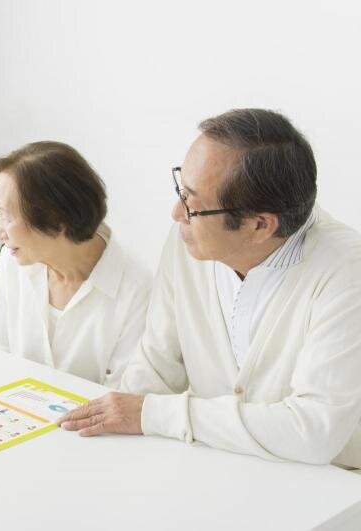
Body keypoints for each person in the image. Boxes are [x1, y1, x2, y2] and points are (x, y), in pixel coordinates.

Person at [57, 109, 361, 469]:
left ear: (260, 226)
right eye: (181, 191)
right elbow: (155, 367)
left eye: (192, 204)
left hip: (333, 485)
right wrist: (104, 440)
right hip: (222, 470)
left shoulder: (346, 271)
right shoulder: (188, 241)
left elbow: (315, 431)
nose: (176, 213)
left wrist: (155, 414)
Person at [0, 141, 151, 387]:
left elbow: (122, 399)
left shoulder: (138, 291)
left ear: (55, 218)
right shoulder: (13, 261)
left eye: (7, 217)